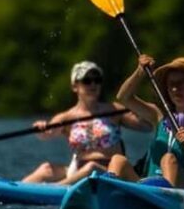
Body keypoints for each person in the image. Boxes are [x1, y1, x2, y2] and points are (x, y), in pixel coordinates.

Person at [22, 60, 150, 185]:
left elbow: (146, 126)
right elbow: (46, 133)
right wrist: (40, 127)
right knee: (46, 168)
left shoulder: (114, 110)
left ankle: (55, 189)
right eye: (87, 81)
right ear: (74, 86)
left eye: (97, 80)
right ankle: (13, 189)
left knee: (92, 167)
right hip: (78, 170)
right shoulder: (67, 117)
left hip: (111, 171)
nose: (93, 85)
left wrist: (138, 107)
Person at [107, 55, 184, 189]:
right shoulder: (159, 116)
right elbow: (124, 98)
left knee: (168, 159)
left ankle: (162, 194)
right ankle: (108, 193)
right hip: (150, 189)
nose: (175, 89)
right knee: (118, 160)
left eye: (181, 83)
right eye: (171, 84)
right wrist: (140, 72)